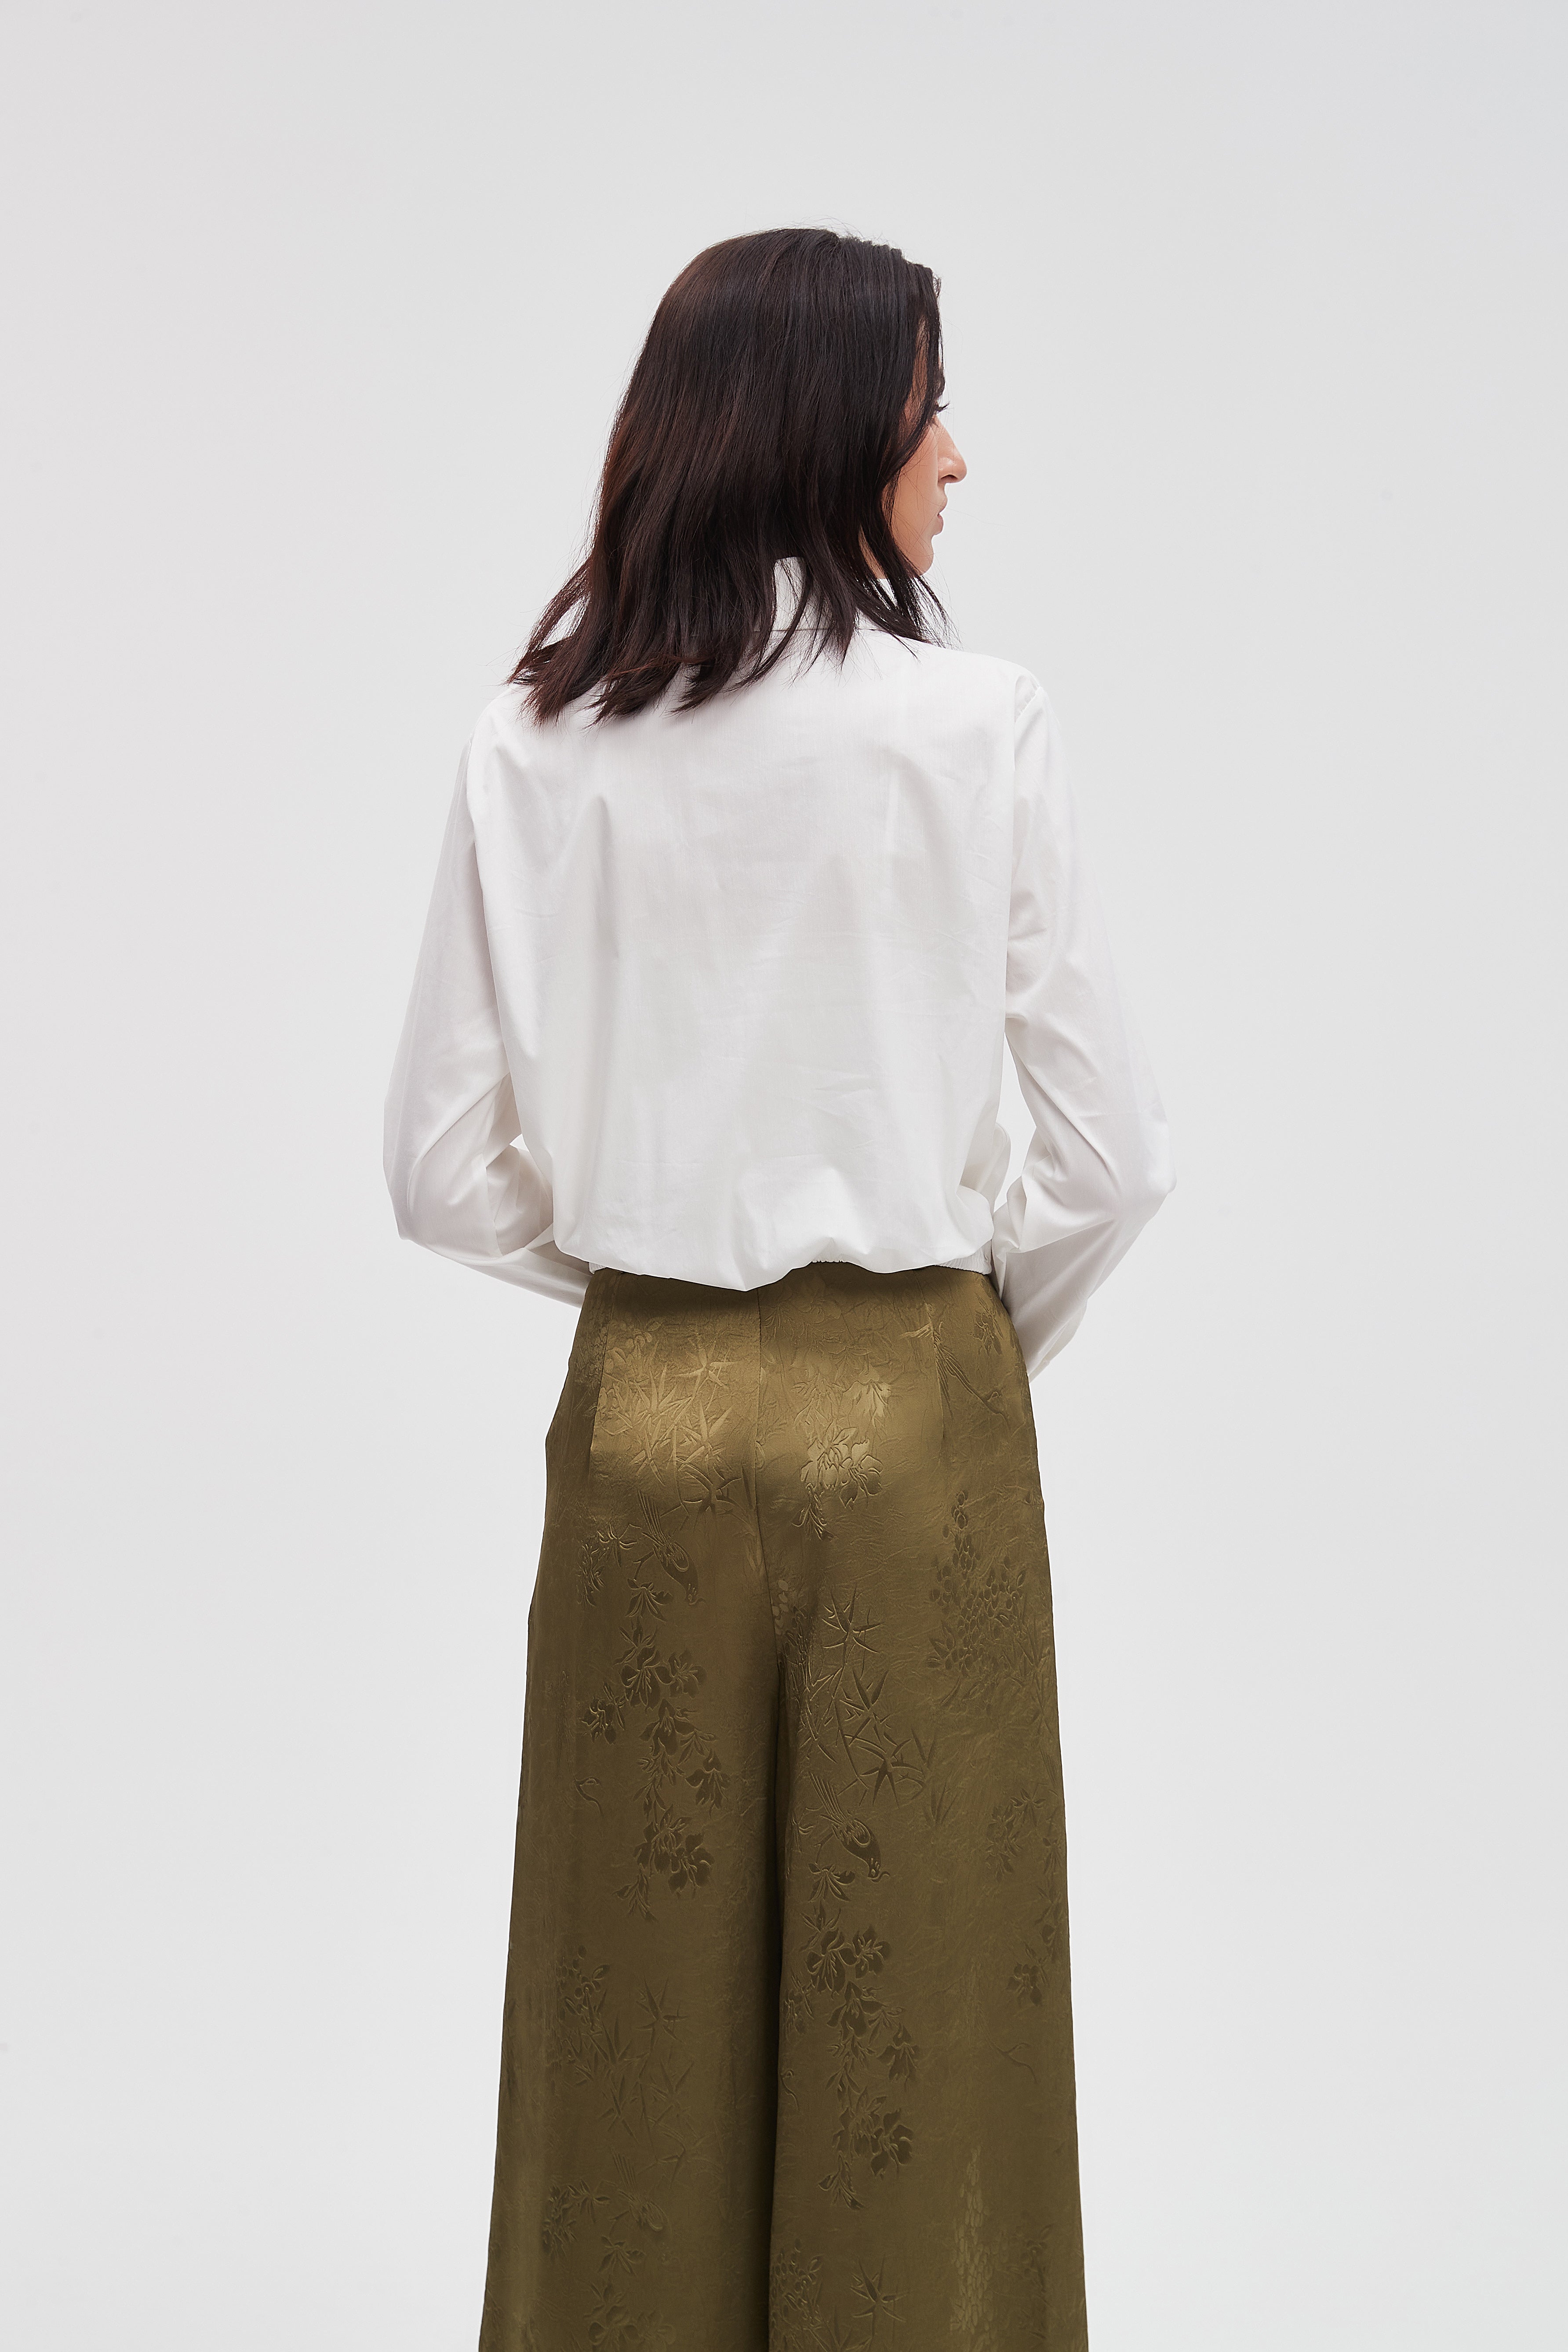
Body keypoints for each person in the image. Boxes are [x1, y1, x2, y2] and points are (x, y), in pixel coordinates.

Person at [384, 225, 1172, 2352]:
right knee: (933, 2034)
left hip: (641, 1420)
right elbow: (1109, 1154)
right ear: (828, 435)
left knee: (623, 2028)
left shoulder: (537, 741)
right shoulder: (978, 728)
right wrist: (962, 1338)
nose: (957, 458)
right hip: (916, 1418)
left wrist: (652, 1275)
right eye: (931, 410)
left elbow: (442, 1175)